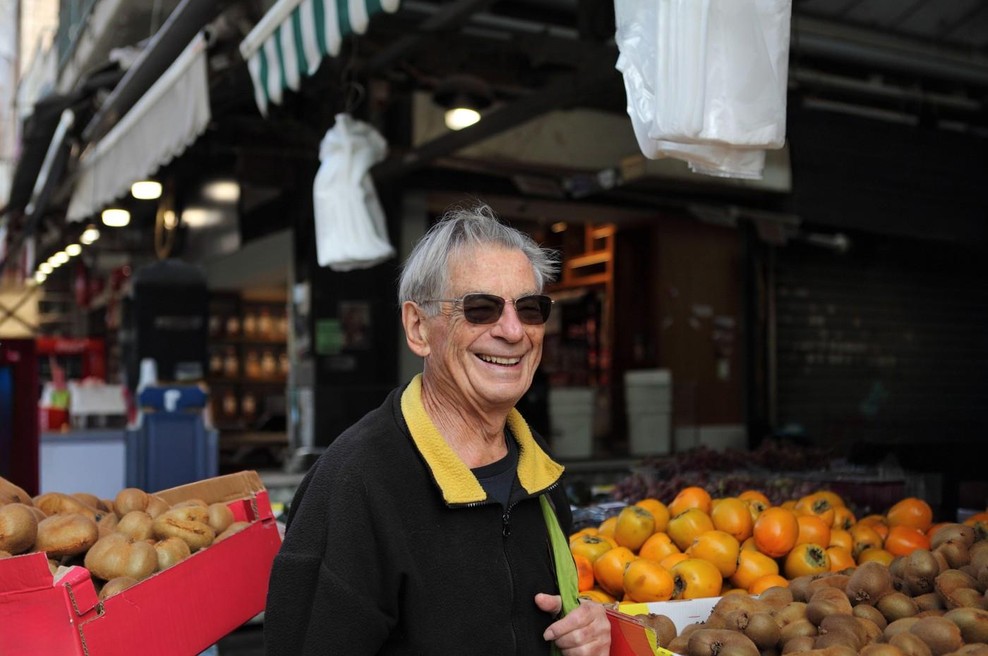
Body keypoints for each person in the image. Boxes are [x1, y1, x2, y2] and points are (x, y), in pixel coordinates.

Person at [264, 203, 611, 655]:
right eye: (481, 308)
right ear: (418, 328)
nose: (513, 331)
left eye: (530, 309)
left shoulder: (537, 468)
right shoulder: (356, 482)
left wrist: (585, 629)